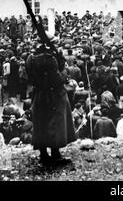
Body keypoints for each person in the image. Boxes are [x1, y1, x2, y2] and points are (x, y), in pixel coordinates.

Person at [26, 32, 75, 166]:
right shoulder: (50, 58)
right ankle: (55, 154)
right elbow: (57, 79)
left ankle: (43, 154)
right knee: (56, 123)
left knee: (41, 123)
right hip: (54, 95)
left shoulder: (31, 57)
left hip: (39, 94)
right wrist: (65, 71)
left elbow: (29, 77)